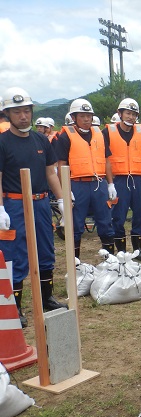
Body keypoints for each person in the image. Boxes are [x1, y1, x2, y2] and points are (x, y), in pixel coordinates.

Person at [0, 87, 68, 328]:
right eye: (17, 112)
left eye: (26, 111)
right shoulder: (3, 142)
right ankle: (15, 306)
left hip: (40, 202)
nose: (23, 116)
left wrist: (61, 199)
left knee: (46, 250)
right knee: (15, 256)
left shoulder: (41, 140)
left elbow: (51, 172)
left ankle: (47, 296)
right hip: (14, 204)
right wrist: (1, 209)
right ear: (8, 114)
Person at [55, 98, 117, 259]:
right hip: (77, 184)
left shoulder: (100, 134)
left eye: (88, 116)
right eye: (82, 116)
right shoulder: (65, 137)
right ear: (74, 117)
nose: (86, 119)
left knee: (105, 222)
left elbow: (107, 160)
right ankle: (75, 264)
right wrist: (65, 190)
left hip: (99, 184)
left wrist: (110, 184)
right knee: (75, 225)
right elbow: (61, 165)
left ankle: (110, 261)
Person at [103, 97, 141, 261]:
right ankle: (122, 251)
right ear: (120, 113)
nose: (131, 117)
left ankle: (138, 250)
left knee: (140, 214)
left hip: (137, 179)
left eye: (134, 114)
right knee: (118, 216)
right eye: (128, 113)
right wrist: (109, 180)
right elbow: (103, 156)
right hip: (119, 179)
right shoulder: (108, 131)